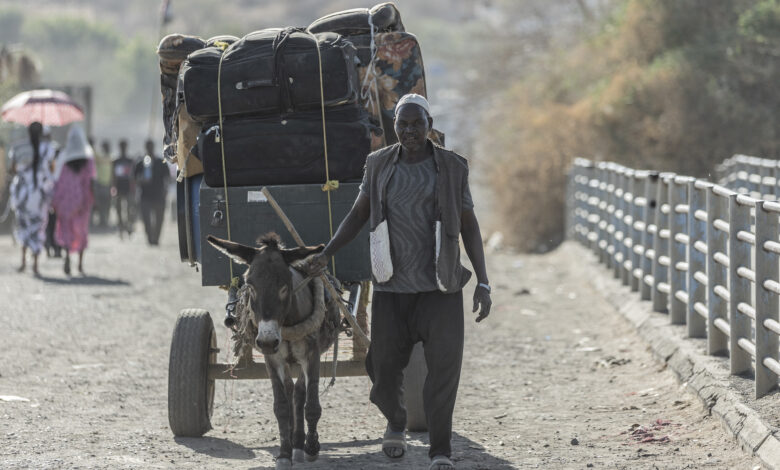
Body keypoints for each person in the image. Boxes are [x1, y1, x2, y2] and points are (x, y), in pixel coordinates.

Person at [300, 94, 492, 470]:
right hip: (391, 289)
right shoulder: (378, 164)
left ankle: (440, 452)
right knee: (382, 369)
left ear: (429, 124)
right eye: (402, 125)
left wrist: (483, 281)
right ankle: (397, 420)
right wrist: (328, 252)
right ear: (395, 127)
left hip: (441, 289)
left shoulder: (452, 167)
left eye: (416, 124)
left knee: (443, 373)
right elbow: (358, 214)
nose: (409, 131)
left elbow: (468, 224)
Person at [9, 122, 56, 276]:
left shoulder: (19, 147)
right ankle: (35, 265)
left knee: (24, 226)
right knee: (38, 228)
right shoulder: (48, 148)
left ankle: (23, 261)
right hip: (40, 195)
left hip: (23, 195)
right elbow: (52, 169)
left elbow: (13, 169)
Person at [51, 126, 96, 275]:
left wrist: (55, 200)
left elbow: (58, 181)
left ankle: (67, 257)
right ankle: (80, 264)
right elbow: (91, 180)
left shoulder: (64, 158)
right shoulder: (88, 159)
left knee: (66, 229)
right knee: (81, 230)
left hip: (66, 201)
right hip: (82, 200)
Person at [134, 139, 170, 245]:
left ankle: (156, 238)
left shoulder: (160, 162)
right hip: (145, 195)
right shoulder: (141, 163)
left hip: (159, 194)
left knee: (159, 219)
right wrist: (141, 181)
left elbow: (167, 177)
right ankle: (150, 237)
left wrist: (166, 190)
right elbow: (135, 178)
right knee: (146, 219)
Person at [111, 139, 136, 239]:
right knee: (119, 210)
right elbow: (113, 176)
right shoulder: (116, 161)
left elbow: (133, 176)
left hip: (128, 188)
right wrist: (113, 188)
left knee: (130, 209)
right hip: (119, 188)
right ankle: (121, 227)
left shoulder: (130, 161)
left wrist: (133, 187)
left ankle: (129, 226)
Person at [91, 139, 113, 228]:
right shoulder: (99, 157)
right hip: (100, 184)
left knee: (107, 204)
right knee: (99, 203)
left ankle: (105, 221)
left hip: (108, 185)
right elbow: (92, 154)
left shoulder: (111, 158)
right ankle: (101, 221)